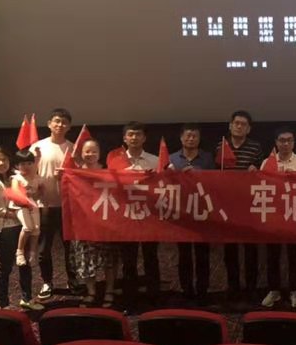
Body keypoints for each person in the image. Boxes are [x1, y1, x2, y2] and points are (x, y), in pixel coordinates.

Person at [0, 146, 42, 311]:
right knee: (6, 268)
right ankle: (4, 304)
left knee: (25, 264)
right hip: (6, 231)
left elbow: (30, 185)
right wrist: (24, 214)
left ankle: (27, 299)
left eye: (4, 159)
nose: (1, 163)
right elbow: (0, 212)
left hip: (22, 227)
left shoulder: (14, 177)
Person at [215, 110, 263, 302]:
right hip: (227, 205)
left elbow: (262, 171)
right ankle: (233, 287)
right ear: (230, 125)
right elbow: (213, 173)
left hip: (248, 204)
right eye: (236, 123)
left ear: (248, 128)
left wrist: (255, 169)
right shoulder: (221, 145)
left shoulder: (255, 147)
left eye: (243, 124)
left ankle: (251, 288)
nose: (239, 126)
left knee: (251, 249)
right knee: (230, 250)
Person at [32, 107, 77, 300]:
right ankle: (47, 282)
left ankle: (73, 280)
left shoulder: (73, 148)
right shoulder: (37, 147)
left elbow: (81, 176)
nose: (60, 125)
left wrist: (68, 175)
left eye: (64, 122)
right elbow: (28, 173)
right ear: (49, 124)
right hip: (44, 205)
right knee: (44, 248)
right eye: (56, 121)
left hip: (68, 206)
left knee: (70, 248)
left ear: (69, 126)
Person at [261, 126, 296, 309]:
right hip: (273, 214)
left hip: (295, 215)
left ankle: (295, 290)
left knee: (294, 255)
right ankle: (274, 290)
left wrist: (295, 178)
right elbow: (260, 185)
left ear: (293, 143)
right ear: (276, 143)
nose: (285, 143)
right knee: (272, 255)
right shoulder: (267, 162)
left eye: (289, 140)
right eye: (282, 140)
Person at [169, 123, 215, 305]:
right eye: (187, 136)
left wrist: (198, 174)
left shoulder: (208, 158)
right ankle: (186, 290)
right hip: (181, 212)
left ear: (199, 139)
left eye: (194, 136)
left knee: (203, 255)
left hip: (202, 211)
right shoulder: (172, 158)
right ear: (181, 138)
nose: (191, 139)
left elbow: (216, 181)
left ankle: (203, 291)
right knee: (184, 255)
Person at [115, 121, 161, 305]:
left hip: (149, 216)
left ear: (144, 138)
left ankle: (154, 295)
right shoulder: (115, 161)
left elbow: (164, 185)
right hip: (126, 215)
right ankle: (130, 297)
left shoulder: (155, 160)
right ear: (124, 138)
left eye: (138, 134)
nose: (134, 137)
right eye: (130, 134)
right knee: (128, 258)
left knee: (151, 256)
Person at [72, 139, 118, 308]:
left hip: (105, 222)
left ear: (99, 153)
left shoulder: (109, 172)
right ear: (81, 153)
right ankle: (91, 292)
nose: (90, 154)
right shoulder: (74, 173)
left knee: (109, 258)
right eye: (87, 151)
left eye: (94, 151)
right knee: (85, 258)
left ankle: (109, 291)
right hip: (83, 223)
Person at [10, 149, 44, 268]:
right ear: (17, 166)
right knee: (28, 227)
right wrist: (24, 196)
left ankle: (32, 254)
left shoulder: (36, 177)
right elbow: (15, 193)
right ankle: (19, 252)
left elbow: (40, 192)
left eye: (29, 163)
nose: (26, 166)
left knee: (36, 229)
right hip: (20, 206)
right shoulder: (17, 178)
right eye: (23, 164)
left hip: (33, 205)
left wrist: (37, 193)